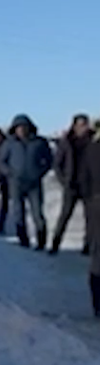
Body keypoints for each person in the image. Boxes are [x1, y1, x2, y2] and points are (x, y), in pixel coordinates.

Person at [0, 113, 54, 250]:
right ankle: (23, 240)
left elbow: (49, 160)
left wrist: (40, 172)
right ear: (14, 129)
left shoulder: (39, 142)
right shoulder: (9, 144)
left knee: (37, 213)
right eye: (18, 127)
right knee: (18, 212)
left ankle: (41, 241)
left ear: (30, 127)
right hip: (16, 183)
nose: (22, 130)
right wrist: (9, 173)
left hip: (34, 183)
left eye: (24, 127)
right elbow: (1, 162)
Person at [51, 113, 94, 255]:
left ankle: (87, 246)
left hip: (89, 185)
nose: (83, 128)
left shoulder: (93, 141)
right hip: (71, 184)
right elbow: (57, 163)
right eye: (80, 125)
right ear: (74, 126)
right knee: (64, 216)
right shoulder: (67, 142)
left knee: (91, 218)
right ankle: (55, 244)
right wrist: (63, 181)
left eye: (85, 124)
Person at [78, 118, 100, 315]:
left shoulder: (90, 149)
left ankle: (97, 304)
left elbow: (83, 178)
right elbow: (83, 177)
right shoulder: (92, 150)